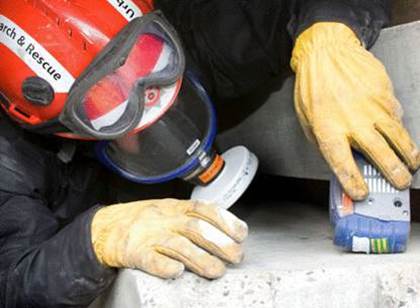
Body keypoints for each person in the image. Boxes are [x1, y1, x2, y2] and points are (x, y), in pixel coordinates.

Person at [0, 1, 248, 307]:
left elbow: (260, 22)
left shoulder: (185, 34)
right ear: (61, 129)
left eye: (144, 56)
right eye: (109, 100)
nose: (153, 99)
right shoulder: (10, 163)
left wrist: (317, 23)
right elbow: (11, 284)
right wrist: (95, 240)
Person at [155, 0, 420, 201]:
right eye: (114, 119)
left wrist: (328, 29)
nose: (151, 113)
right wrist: (111, 225)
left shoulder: (235, 28)